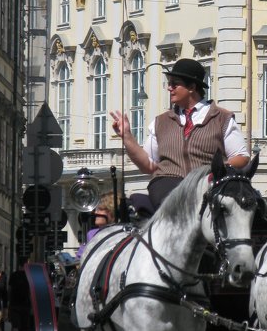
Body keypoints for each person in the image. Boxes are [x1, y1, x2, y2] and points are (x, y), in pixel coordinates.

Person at [110, 58, 250, 209]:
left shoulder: (222, 118)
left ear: (191, 87)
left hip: (207, 183)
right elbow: (148, 166)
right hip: (167, 183)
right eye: (169, 84)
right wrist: (127, 137)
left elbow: (241, 157)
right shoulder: (161, 122)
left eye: (174, 84)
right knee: (171, 204)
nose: (169, 88)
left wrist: (214, 170)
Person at [76, 192, 116, 259]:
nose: (95, 212)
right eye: (96, 209)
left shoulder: (122, 233)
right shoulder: (92, 234)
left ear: (111, 211)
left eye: (100, 209)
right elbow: (79, 258)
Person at [8, 258, 35, 331]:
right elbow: (30, 293)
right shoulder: (29, 276)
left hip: (14, 304)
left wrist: (9, 303)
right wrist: (32, 305)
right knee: (24, 326)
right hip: (25, 305)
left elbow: (9, 290)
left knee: (15, 325)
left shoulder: (13, 275)